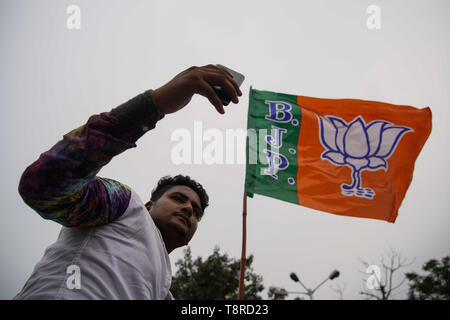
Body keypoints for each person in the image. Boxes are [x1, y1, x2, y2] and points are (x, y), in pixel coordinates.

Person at [14, 64, 243, 300]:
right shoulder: (125, 205)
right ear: (149, 206)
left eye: (196, 212)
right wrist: (155, 104)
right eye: (178, 198)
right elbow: (43, 185)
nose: (188, 209)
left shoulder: (164, 292)